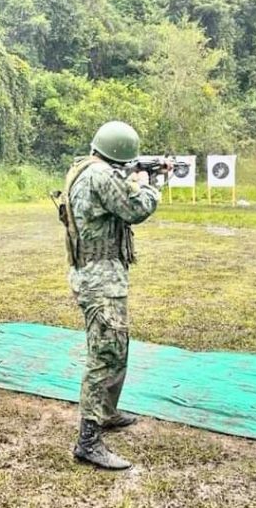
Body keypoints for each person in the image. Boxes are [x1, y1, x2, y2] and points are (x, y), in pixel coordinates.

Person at [61, 121, 163, 470]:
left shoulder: (86, 168)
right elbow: (137, 209)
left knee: (115, 348)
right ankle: (88, 442)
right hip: (100, 279)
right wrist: (151, 183)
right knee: (105, 355)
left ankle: (106, 412)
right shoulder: (102, 176)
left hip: (96, 274)